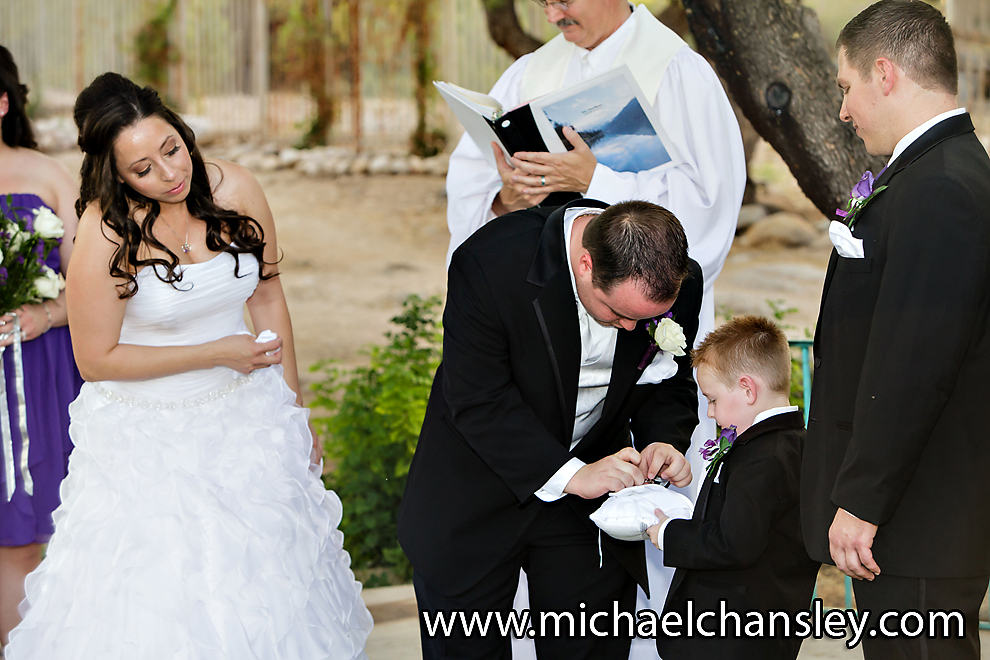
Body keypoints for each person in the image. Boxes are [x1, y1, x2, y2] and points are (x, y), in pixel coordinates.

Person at [4, 72, 373, 659]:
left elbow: (268, 295)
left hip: (245, 422)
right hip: (148, 441)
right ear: (115, 173)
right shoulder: (105, 230)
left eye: (171, 148)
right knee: (165, 598)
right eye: (143, 169)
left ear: (181, 128)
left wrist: (293, 408)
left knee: (264, 583)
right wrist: (217, 353)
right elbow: (95, 360)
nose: (170, 174)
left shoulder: (238, 188)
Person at [444, 3, 745, 643]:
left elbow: (710, 213)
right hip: (537, 356)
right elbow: (471, 202)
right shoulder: (528, 75)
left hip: (634, 347)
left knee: (629, 553)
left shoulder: (679, 75)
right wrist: (507, 198)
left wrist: (596, 180)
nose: (552, 11)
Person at [398, 198, 702, 660]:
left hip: (589, 512)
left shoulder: (679, 282)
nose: (628, 328)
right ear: (586, 262)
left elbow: (669, 382)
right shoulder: (489, 263)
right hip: (478, 491)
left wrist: (664, 440)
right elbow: (478, 400)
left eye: (642, 320)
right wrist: (571, 474)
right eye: (616, 312)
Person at [803, 2, 990, 659]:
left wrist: (861, 498)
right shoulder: (922, 175)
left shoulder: (940, 189)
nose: (845, 110)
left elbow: (915, 360)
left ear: (885, 73)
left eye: (846, 86)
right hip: (910, 518)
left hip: (919, 519)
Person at [647, 316, 818, 660]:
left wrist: (669, 533)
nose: (710, 413)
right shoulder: (796, 444)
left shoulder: (762, 457)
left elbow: (735, 543)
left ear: (747, 389)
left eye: (711, 399)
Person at [0, 44, 84, 648]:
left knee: (30, 530)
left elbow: (93, 288)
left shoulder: (48, 175)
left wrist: (45, 315)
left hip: (38, 370)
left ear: (2, 102)